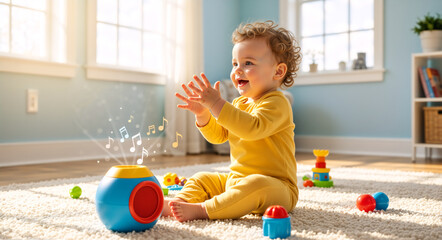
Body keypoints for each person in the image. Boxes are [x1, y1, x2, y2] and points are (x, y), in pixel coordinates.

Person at [163, 20, 302, 222]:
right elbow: (219, 136)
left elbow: (252, 128)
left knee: (256, 185)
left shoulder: (278, 103)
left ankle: (203, 209)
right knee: (202, 177)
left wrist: (217, 103)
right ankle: (180, 201)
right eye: (235, 63)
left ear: (278, 72)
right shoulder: (238, 103)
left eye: (248, 63)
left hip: (276, 187)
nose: (238, 70)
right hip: (235, 180)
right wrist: (203, 115)